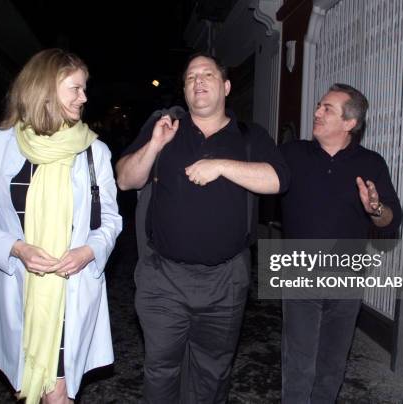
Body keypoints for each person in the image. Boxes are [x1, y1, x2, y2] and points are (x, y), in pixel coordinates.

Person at [116, 52, 289, 403]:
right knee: (161, 370)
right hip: (164, 278)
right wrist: (154, 145)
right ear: (184, 89)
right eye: (191, 77)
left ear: (225, 86)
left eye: (207, 75)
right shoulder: (164, 127)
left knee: (212, 373)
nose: (198, 82)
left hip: (225, 280)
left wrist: (222, 165)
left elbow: (278, 180)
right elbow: (124, 179)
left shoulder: (249, 136)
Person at [0, 49, 122, 404]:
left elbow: (110, 220)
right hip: (19, 291)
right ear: (45, 89)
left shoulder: (95, 152)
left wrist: (88, 251)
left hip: (70, 292)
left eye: (84, 88)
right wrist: (16, 248)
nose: (84, 97)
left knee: (57, 393)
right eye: (75, 88)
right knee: (30, 387)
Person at [280, 83, 402, 403]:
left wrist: (376, 208)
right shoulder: (292, 154)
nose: (317, 112)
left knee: (332, 363)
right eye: (319, 106)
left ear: (350, 123)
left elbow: (391, 219)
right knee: (299, 362)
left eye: (327, 109)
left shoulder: (371, 163)